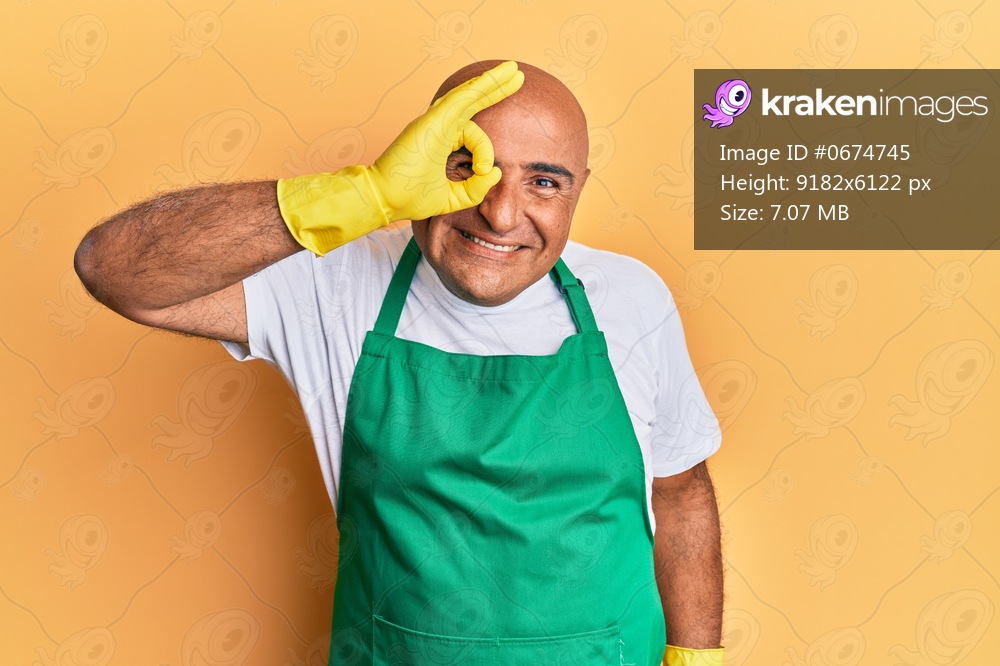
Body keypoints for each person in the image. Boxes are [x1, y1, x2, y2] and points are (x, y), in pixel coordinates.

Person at [75, 60, 725, 665]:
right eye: (468, 167)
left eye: (543, 182)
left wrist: (696, 659)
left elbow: (682, 494)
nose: (499, 214)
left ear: (577, 191)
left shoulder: (633, 299)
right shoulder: (332, 287)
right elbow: (114, 270)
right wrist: (365, 195)